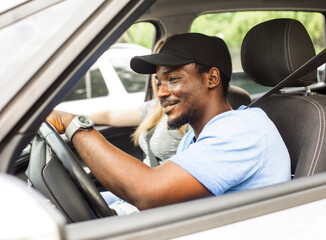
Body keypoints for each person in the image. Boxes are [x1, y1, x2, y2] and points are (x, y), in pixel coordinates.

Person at [47, 33, 291, 211]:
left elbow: (148, 192)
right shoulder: (194, 137)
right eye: (159, 81)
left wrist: (73, 124)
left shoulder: (242, 130)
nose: (161, 92)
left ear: (212, 78)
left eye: (173, 79)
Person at [89, 37, 189, 168]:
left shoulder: (191, 114)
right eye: (156, 66)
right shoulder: (155, 107)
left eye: (172, 76)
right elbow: (110, 116)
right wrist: (74, 119)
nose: (159, 69)